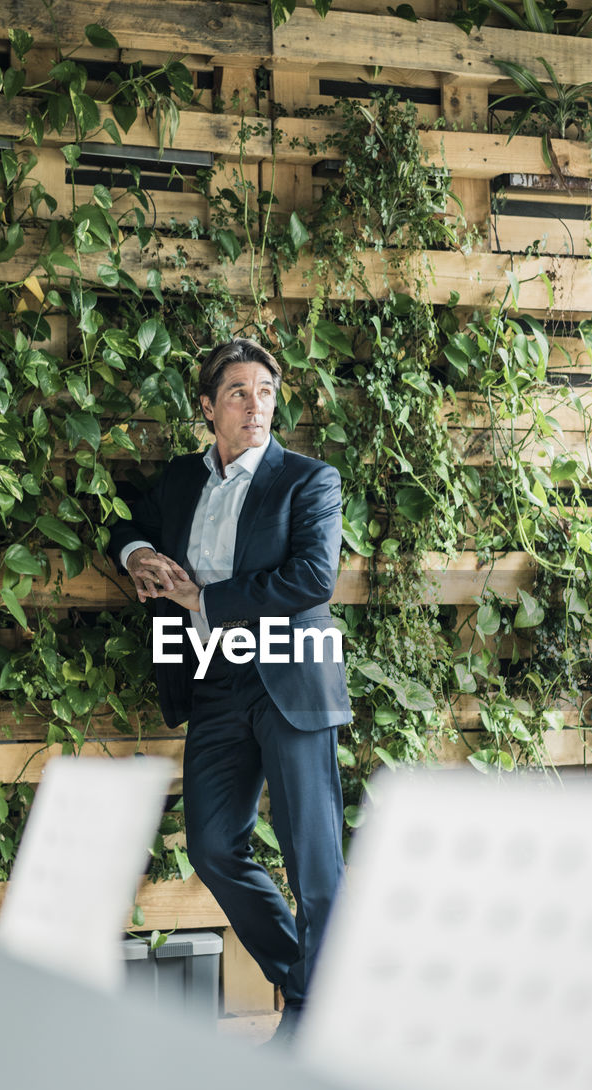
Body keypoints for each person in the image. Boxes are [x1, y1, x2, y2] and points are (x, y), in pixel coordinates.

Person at [109, 337, 351, 1041]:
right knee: (213, 847)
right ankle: (308, 981)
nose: (256, 405)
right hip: (214, 680)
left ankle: (320, 1015)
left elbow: (313, 578)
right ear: (209, 407)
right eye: (239, 392)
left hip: (291, 673)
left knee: (314, 861)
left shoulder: (310, 479)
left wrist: (205, 599)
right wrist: (139, 553)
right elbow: (126, 519)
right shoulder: (184, 482)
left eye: (267, 391)